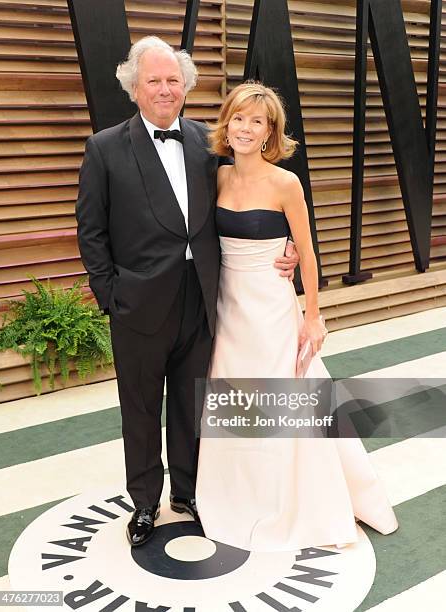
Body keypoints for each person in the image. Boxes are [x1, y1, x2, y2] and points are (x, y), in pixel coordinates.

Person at [75, 37, 297, 547]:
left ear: (186, 86)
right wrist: (112, 295)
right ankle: (145, 503)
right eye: (153, 80)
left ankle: (190, 492)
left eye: (173, 80)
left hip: (202, 300)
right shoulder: (105, 148)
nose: (164, 89)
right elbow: (91, 231)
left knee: (191, 406)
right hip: (137, 306)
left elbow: (252, 197)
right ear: (134, 87)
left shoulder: (208, 142)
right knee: (140, 409)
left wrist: (282, 248)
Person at [195, 82, 398, 551]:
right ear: (228, 123)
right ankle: (236, 496)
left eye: (256, 121)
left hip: (270, 310)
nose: (246, 128)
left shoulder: (286, 182)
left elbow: (307, 255)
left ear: (270, 132)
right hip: (227, 308)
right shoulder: (219, 177)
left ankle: (296, 502)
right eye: (239, 118)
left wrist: (314, 317)